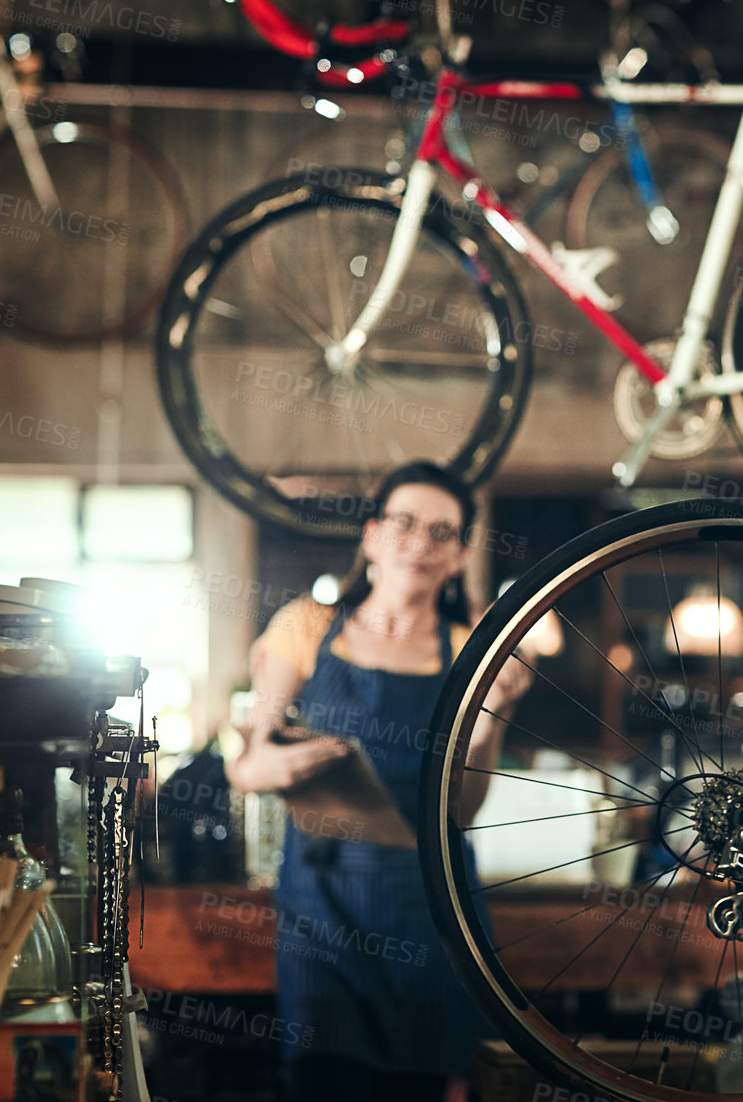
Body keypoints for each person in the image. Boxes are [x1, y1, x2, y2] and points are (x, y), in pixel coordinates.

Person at [225, 461, 531, 1102]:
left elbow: (463, 811)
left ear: (459, 555)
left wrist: (493, 717)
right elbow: (246, 764)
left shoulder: (474, 648)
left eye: (441, 532)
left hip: (432, 907)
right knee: (321, 1080)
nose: (419, 544)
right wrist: (283, 766)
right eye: (404, 523)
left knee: (422, 1088)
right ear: (370, 535)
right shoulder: (306, 624)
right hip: (321, 907)